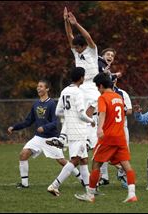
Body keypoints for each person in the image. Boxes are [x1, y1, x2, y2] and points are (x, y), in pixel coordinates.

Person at [74, 73, 138, 203]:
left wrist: (99, 128)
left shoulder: (103, 97)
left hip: (108, 136)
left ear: (101, 86)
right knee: (126, 165)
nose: (98, 90)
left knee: (96, 163)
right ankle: (132, 194)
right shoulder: (118, 97)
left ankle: (90, 195)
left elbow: (102, 113)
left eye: (98, 87)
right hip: (120, 136)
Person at [7, 80, 83, 188]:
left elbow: (55, 122)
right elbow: (28, 121)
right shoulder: (36, 104)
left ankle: (82, 179)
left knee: (62, 161)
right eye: (38, 86)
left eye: (41, 86)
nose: (38, 88)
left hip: (51, 138)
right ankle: (24, 184)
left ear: (47, 89)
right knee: (23, 154)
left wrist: (44, 127)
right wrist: (14, 127)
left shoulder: (52, 104)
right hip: (38, 138)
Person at [53, 7, 100, 149]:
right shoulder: (76, 51)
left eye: (78, 48)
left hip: (92, 86)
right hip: (80, 85)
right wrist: (66, 21)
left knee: (90, 112)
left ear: (83, 46)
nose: (76, 50)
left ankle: (88, 140)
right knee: (72, 110)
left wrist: (76, 23)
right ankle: (63, 138)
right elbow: (69, 36)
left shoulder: (92, 50)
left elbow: (89, 38)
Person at [47, 67, 95, 196]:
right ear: (81, 78)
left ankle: (90, 191)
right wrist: (91, 120)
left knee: (84, 160)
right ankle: (54, 185)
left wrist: (69, 114)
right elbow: (81, 114)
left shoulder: (65, 91)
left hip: (71, 131)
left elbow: (58, 112)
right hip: (79, 131)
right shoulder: (78, 92)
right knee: (75, 161)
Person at [98, 78, 132, 189]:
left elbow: (129, 110)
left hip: (114, 129)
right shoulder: (115, 96)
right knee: (121, 159)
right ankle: (105, 177)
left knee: (99, 158)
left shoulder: (120, 93)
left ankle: (91, 192)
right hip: (117, 130)